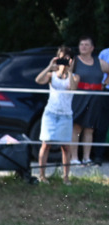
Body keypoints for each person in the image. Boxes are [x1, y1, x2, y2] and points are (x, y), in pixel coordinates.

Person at [36, 46, 79, 184]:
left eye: (66, 58)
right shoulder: (52, 75)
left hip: (66, 114)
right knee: (46, 144)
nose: (64, 61)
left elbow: (72, 88)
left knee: (65, 147)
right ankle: (42, 176)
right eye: (61, 58)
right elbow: (38, 80)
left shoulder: (75, 76)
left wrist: (70, 70)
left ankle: (66, 177)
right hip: (50, 113)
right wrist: (50, 66)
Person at [70, 37, 107, 165]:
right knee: (76, 128)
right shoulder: (74, 61)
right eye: (81, 44)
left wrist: (104, 83)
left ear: (92, 48)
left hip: (95, 97)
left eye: (86, 45)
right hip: (79, 97)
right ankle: (74, 158)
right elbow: (62, 72)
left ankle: (87, 157)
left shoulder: (99, 62)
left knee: (90, 128)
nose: (83, 47)